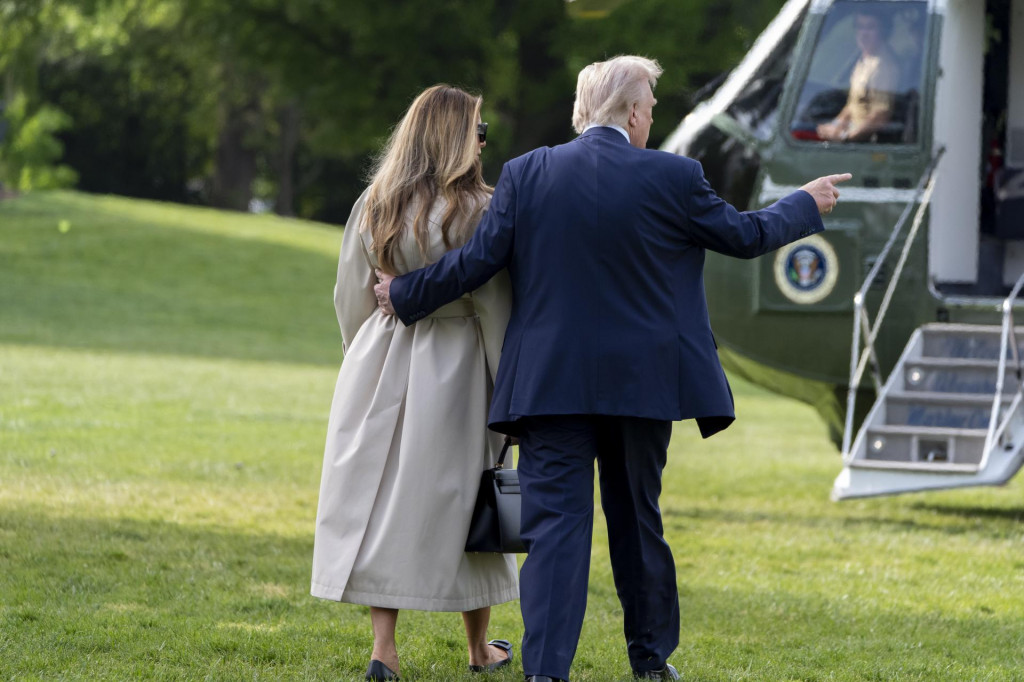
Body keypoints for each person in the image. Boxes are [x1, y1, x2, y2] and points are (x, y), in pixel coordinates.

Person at [374, 56, 850, 682]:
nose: (651, 118)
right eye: (651, 107)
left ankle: (546, 672)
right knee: (637, 524)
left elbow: (478, 263)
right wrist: (805, 204)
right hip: (644, 387)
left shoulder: (527, 173)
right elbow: (744, 235)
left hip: (549, 386)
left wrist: (405, 295)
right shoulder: (676, 177)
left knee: (554, 533)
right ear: (631, 112)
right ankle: (650, 664)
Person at [310, 84, 518, 681]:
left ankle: (384, 650)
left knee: (379, 503)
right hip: (455, 363)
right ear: (454, 139)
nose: (483, 143)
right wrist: (508, 387)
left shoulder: (376, 202)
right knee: (467, 501)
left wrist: (361, 356)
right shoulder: (479, 209)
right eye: (477, 132)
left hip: (380, 354)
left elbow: (349, 295)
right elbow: (494, 304)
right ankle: (479, 650)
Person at [817, 7, 900, 142]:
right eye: (860, 27)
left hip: (866, 143)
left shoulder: (884, 66)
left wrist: (847, 137)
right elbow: (853, 103)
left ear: (883, 32)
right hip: (852, 133)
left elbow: (880, 115)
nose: (863, 33)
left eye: (870, 28)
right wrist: (834, 126)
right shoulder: (864, 60)